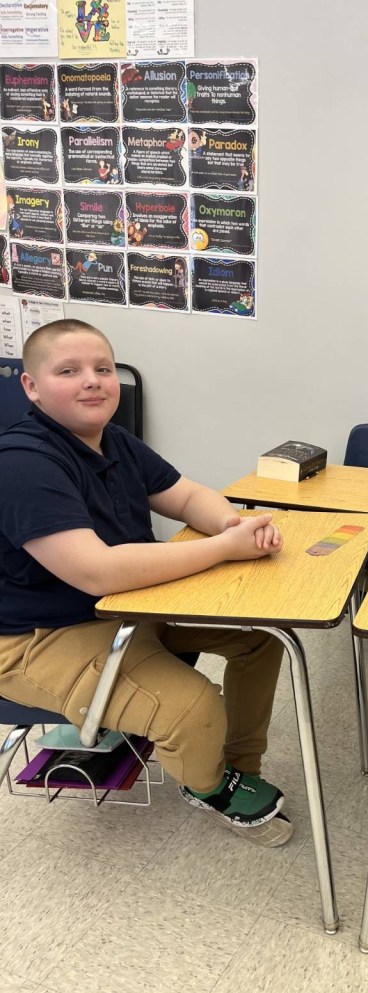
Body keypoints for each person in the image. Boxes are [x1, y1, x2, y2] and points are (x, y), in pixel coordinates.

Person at [0, 319, 291, 847]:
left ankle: (236, 765)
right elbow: (96, 570)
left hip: (124, 606)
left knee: (260, 640)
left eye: (103, 368)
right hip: (39, 637)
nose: (92, 380)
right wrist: (223, 548)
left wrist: (231, 524)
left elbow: (186, 496)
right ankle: (207, 785)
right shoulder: (22, 464)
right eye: (69, 371)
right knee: (193, 708)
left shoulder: (115, 441)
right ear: (31, 386)